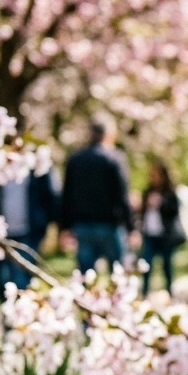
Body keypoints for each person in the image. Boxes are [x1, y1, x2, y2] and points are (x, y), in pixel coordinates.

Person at [60, 114, 134, 276]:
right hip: (110, 224)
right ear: (109, 134)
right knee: (119, 274)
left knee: (86, 276)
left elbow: (66, 195)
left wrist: (65, 226)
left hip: (82, 224)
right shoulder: (115, 158)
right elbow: (122, 195)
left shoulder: (75, 160)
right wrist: (130, 226)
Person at [136, 160, 183, 294]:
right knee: (146, 264)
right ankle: (145, 291)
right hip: (149, 233)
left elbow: (174, 212)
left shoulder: (170, 193)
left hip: (165, 234)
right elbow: (142, 212)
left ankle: (169, 291)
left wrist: (161, 204)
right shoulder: (147, 191)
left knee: (167, 265)